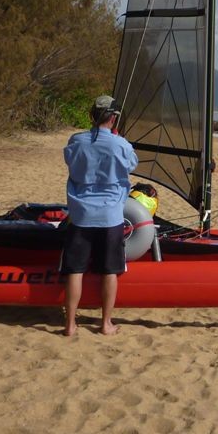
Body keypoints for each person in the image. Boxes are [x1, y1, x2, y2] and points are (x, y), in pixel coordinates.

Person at [61, 94, 138, 337]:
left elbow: (69, 159)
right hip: (110, 216)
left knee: (74, 269)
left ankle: (70, 324)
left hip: (81, 215)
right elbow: (132, 164)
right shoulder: (121, 145)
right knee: (109, 270)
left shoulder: (76, 141)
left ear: (91, 115)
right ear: (114, 118)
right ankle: (105, 324)